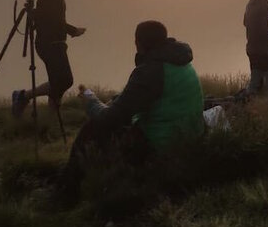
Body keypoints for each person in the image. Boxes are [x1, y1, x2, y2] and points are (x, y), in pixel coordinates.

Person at [59, 20, 204, 199]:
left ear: (139, 43)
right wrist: (118, 101)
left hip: (162, 143)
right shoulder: (178, 60)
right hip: (190, 136)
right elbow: (147, 98)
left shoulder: (151, 70)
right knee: (118, 116)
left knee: (92, 130)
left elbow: (109, 119)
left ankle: (66, 193)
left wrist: (91, 101)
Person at [12, 0, 86, 117]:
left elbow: (47, 17)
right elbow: (54, 20)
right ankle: (24, 96)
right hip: (51, 44)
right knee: (64, 80)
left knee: (58, 81)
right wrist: (74, 31)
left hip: (51, 43)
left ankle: (51, 117)